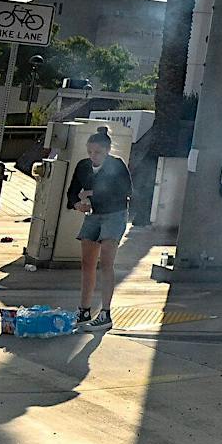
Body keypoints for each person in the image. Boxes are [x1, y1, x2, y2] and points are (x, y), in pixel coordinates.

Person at [67, 128, 131, 328]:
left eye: (98, 152)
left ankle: (106, 312)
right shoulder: (83, 166)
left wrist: (91, 193)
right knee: (87, 263)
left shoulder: (116, 165)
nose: (93, 156)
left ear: (107, 151)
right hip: (94, 215)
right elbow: (72, 192)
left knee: (106, 263)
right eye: (90, 152)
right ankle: (84, 309)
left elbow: (125, 191)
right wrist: (77, 204)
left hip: (115, 214)